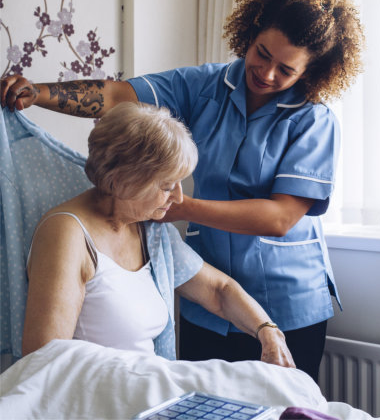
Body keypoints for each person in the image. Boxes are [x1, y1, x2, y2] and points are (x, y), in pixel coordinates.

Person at [2, 0, 364, 379]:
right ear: (251, 33)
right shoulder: (204, 86)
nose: (266, 73)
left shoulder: (314, 121)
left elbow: (280, 218)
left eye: (286, 70)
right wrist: (38, 94)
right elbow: (119, 95)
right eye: (263, 54)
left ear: (311, 73)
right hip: (207, 300)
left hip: (288, 301)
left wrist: (179, 205)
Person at [21, 101, 295, 370]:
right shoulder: (67, 234)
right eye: (166, 186)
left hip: (145, 393)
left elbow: (218, 290)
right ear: (122, 180)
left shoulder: (149, 230)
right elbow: (44, 362)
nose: (178, 197)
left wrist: (268, 331)